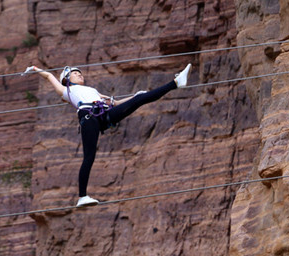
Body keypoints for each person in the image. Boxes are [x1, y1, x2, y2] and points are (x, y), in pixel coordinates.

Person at [25, 64, 191, 206]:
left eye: (80, 72)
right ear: (67, 79)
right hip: (88, 118)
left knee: (141, 99)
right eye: (75, 73)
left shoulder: (92, 90)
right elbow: (48, 76)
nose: (79, 74)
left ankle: (176, 83)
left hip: (104, 116)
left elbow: (116, 103)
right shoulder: (66, 90)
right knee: (89, 157)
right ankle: (82, 197)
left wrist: (134, 97)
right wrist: (34, 69)